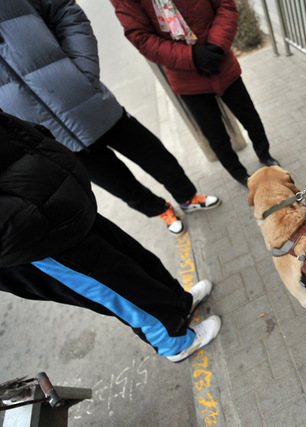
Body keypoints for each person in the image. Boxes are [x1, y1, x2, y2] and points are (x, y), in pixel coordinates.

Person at [0, 110, 220, 362]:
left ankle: (179, 303)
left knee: (135, 261)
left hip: (56, 203)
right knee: (119, 288)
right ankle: (173, 340)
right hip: (32, 239)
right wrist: (23, 218)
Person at [0, 0, 221, 236]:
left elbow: (63, 10)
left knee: (155, 155)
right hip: (50, 134)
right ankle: (160, 210)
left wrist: (83, 71)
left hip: (89, 102)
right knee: (120, 186)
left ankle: (187, 196)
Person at [111, 0, 280, 188]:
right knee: (216, 137)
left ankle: (265, 155)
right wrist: (192, 57)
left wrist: (217, 45)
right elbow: (141, 37)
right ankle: (241, 176)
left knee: (250, 117)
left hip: (220, 60)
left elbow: (225, 5)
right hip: (186, 77)